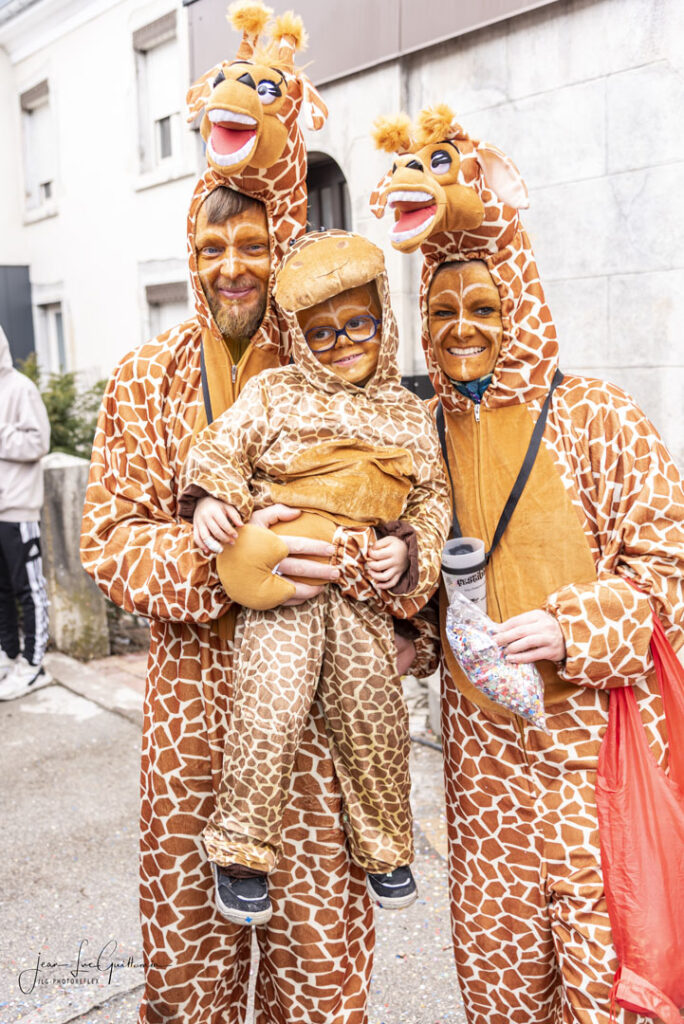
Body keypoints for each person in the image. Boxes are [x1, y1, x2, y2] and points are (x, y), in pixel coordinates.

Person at [80, 6, 403, 1020]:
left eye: (253, 243)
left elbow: (399, 508)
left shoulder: (341, 371)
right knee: (187, 983)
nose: (232, 265)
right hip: (188, 723)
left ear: (283, 243)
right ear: (192, 250)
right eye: (212, 243)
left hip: (314, 740)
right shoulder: (144, 378)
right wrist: (221, 557)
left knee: (320, 982)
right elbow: (108, 537)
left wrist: (383, 566)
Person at [371, 105, 684, 1024]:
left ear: (521, 306)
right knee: (502, 988)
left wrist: (573, 624)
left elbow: (670, 571)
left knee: (613, 983)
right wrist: (409, 636)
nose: (462, 328)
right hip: (482, 777)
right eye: (441, 311)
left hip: (596, 761)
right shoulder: (421, 437)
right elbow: (431, 594)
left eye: (483, 307)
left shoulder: (598, 417)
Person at [179, 230, 449, 924]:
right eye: (322, 333)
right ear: (298, 335)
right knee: (267, 708)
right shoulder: (275, 392)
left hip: (360, 593)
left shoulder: (408, 414)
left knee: (375, 717)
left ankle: (388, 849)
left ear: (383, 318)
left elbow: (432, 499)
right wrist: (210, 500)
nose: (343, 344)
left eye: (358, 324)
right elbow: (219, 446)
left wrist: (409, 551)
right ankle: (241, 850)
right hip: (282, 588)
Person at [0, 325, 51, 701]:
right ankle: (8, 656)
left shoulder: (21, 388)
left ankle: (35, 667)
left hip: (18, 509)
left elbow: (38, 442)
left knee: (29, 590)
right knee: (1, 591)